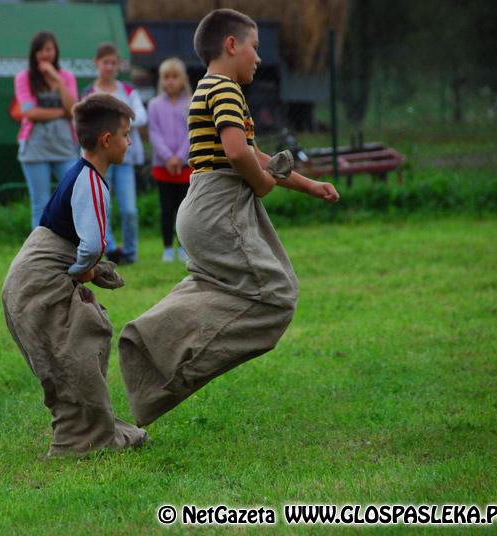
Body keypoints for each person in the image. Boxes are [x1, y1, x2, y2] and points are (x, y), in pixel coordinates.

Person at [118, 9, 340, 427]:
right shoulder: (224, 88)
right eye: (255, 48)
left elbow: (253, 153)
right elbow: (238, 154)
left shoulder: (209, 87)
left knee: (219, 286)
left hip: (203, 205)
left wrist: (308, 185)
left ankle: (149, 335)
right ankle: (166, 373)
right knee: (276, 296)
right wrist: (261, 184)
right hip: (219, 207)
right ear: (232, 45)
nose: (259, 58)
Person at [2, 94, 148, 457]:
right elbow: (93, 242)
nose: (130, 142)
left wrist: (85, 270)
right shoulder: (92, 182)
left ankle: (88, 430)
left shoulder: (81, 174)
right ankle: (83, 439)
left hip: (27, 278)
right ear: (106, 139)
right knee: (75, 351)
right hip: (38, 281)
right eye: (126, 135)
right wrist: (83, 271)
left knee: (70, 351)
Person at [82, 43, 147, 265]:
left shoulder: (127, 91)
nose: (109, 67)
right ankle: (109, 248)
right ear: (97, 63)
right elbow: (85, 125)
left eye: (113, 63)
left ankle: (130, 252)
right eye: (105, 62)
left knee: (129, 209)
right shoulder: (89, 94)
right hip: (100, 160)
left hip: (125, 158)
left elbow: (142, 116)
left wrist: (116, 123)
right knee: (102, 206)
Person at [14, 31, 80, 229]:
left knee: (75, 197)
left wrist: (57, 81)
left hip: (65, 146)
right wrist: (62, 112)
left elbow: (74, 110)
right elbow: (30, 113)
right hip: (35, 147)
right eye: (41, 50)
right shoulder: (24, 78)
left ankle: (74, 243)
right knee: (40, 204)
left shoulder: (67, 77)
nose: (45, 54)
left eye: (49, 49)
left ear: (56, 51)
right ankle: (39, 247)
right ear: (34, 54)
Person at [147, 57, 193, 263]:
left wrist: (180, 157)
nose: (170, 81)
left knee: (185, 208)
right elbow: (154, 133)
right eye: (166, 77)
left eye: (174, 77)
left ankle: (183, 246)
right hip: (163, 165)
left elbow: (191, 132)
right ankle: (167, 248)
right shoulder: (154, 105)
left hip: (185, 166)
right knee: (166, 209)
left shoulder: (191, 103)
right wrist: (168, 157)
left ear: (183, 79)